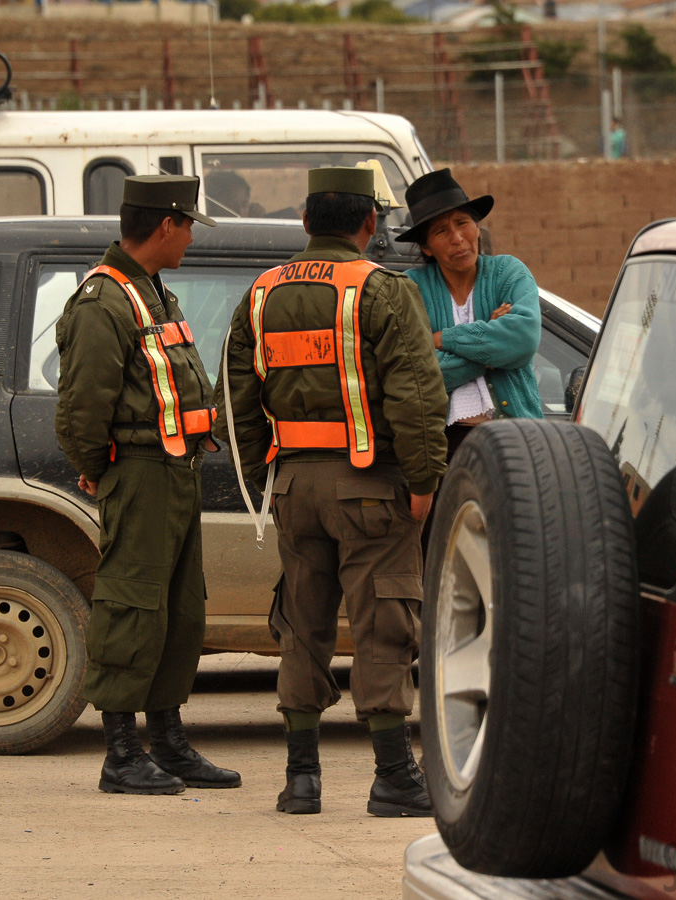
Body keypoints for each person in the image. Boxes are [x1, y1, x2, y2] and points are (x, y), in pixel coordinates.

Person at [216, 166, 447, 818]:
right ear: (369, 223)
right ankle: (394, 778)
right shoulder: (380, 289)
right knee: (383, 623)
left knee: (302, 624)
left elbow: (234, 398)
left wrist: (269, 478)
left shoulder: (261, 294)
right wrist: (425, 478)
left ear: (306, 222)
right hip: (371, 485)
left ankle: (301, 780)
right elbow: (417, 395)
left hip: (293, 484)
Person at [54, 175, 242, 796]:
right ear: (166, 226)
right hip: (138, 472)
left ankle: (167, 741)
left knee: (179, 612)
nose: (190, 238)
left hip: (176, 469)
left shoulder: (154, 292)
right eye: (188, 226)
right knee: (130, 607)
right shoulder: (102, 301)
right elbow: (83, 405)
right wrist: (99, 465)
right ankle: (119, 753)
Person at [398, 168, 543, 461]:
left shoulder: (508, 273)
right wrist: (491, 351)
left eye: (463, 223)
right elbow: (416, 375)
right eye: (441, 231)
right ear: (426, 247)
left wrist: (443, 339)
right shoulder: (411, 289)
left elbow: (524, 339)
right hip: (444, 447)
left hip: (516, 438)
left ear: (476, 227)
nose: (457, 238)